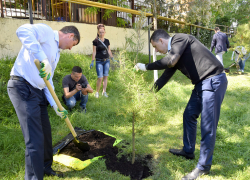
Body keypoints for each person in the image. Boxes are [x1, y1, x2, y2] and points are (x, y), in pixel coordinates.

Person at [135, 29, 228, 180]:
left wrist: (146, 66)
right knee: (189, 115)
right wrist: (149, 94)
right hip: (201, 84)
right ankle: (188, 150)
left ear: (161, 41)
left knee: (207, 124)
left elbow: (169, 62)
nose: (156, 51)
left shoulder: (180, 39)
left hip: (213, 80)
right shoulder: (175, 55)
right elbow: (164, 76)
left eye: (156, 47)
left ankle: (203, 167)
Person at [7, 23, 80, 180]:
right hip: (22, 87)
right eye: (72, 45)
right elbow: (22, 30)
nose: (70, 49)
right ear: (70, 36)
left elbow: (47, 81)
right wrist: (43, 58)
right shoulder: (47, 33)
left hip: (38, 92)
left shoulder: (57, 52)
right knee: (35, 138)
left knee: (46, 134)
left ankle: (46, 166)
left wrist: (55, 105)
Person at [90, 24, 116, 98]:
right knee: (100, 77)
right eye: (100, 32)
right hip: (99, 61)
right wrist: (92, 61)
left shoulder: (107, 41)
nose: (101, 33)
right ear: (98, 32)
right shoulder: (95, 41)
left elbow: (109, 50)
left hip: (106, 61)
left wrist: (112, 58)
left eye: (103, 32)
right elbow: (94, 52)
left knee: (105, 77)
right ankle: (97, 92)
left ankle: (104, 92)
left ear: (105, 32)